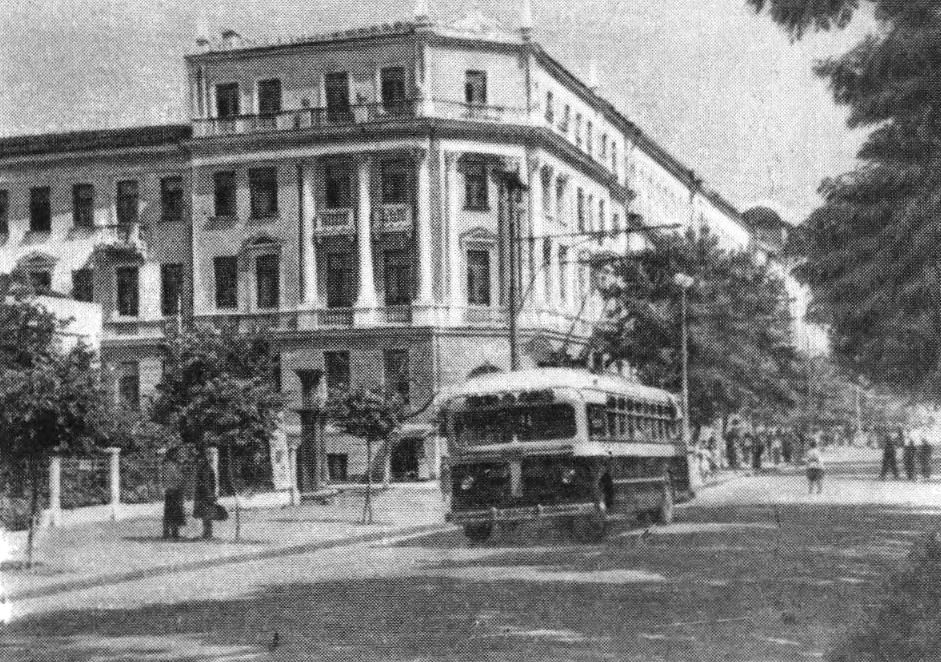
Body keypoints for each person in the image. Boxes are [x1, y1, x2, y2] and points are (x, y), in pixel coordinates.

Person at [193, 450, 219, 540]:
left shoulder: (207, 467)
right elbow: (206, 483)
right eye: (210, 454)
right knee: (206, 514)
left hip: (205, 494)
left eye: (213, 454)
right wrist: (210, 494)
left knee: (207, 514)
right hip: (205, 495)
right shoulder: (206, 468)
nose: (212, 457)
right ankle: (207, 533)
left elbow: (208, 483)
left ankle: (207, 533)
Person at [161, 451, 187, 540]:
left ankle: (168, 532)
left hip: (171, 491)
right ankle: (172, 532)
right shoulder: (171, 466)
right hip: (174, 491)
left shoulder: (168, 465)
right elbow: (177, 478)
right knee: (174, 511)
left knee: (170, 512)